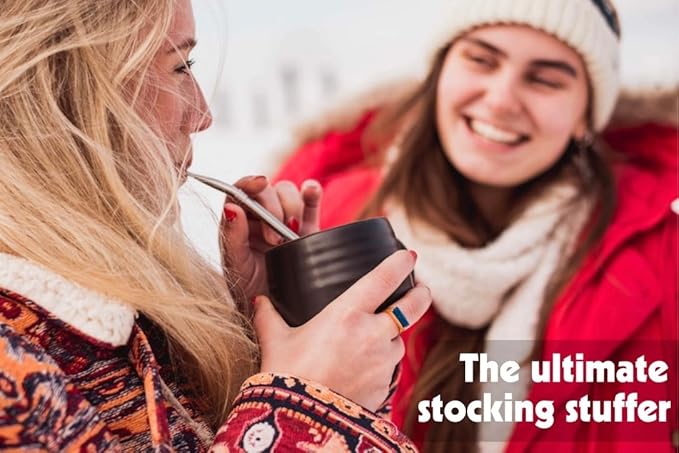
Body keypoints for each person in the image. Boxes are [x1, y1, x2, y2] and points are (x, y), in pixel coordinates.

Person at [0, 0, 432, 451]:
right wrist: (301, 412)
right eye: (181, 67)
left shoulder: (127, 319)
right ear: (62, 94)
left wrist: (267, 336)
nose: (203, 116)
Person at [275, 0, 678, 451]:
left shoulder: (662, 253)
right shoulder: (328, 223)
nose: (502, 100)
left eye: (545, 80)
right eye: (481, 60)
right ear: (440, 71)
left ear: (586, 116)